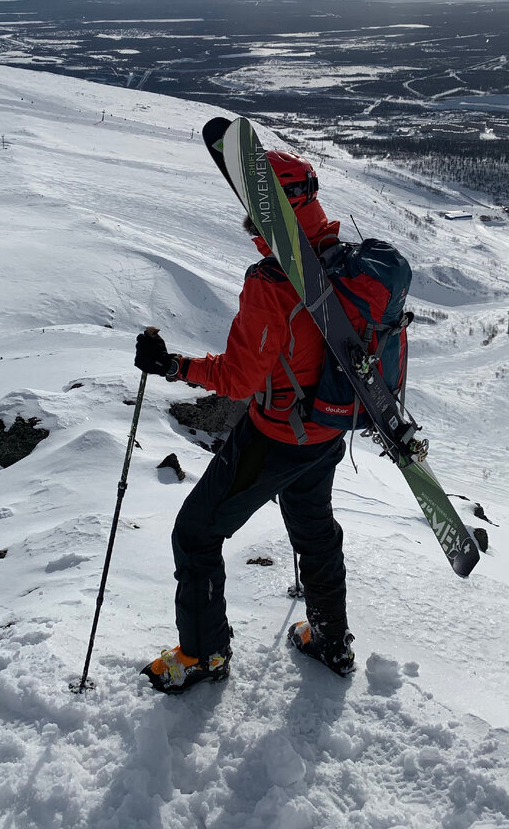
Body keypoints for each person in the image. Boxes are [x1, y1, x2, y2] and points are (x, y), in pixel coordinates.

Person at [135, 150, 355, 693]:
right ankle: (331, 638)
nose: (247, 223)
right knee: (314, 528)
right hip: (327, 429)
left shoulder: (271, 283)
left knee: (195, 534)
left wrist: (173, 366)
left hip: (276, 435)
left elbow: (238, 378)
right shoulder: (343, 259)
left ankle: (204, 654)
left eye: (252, 212)